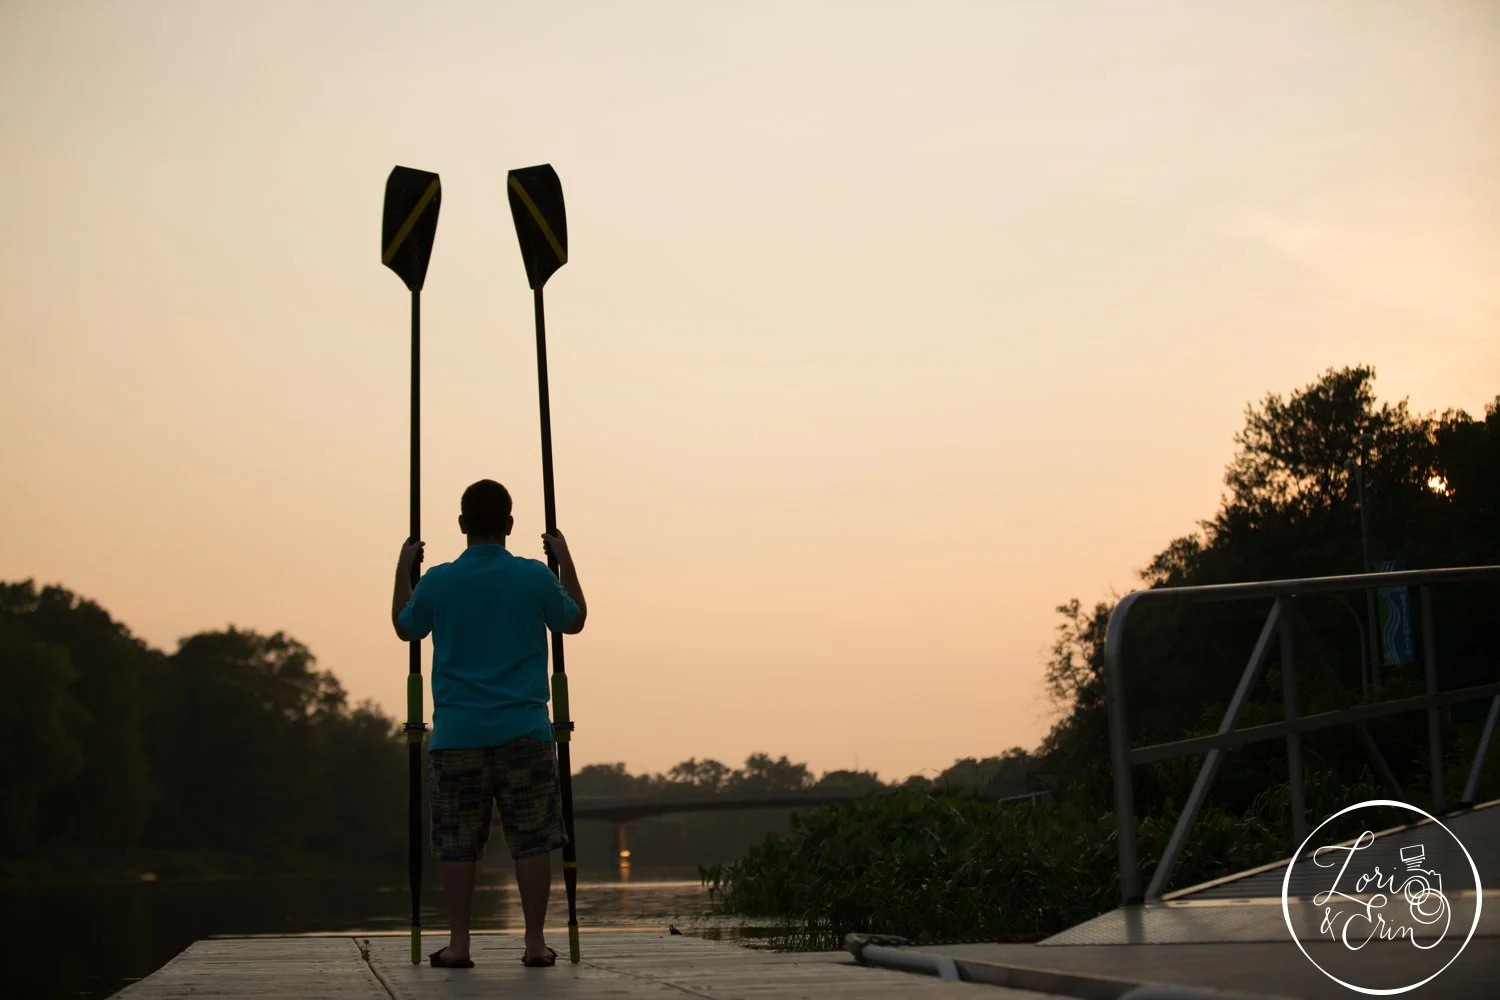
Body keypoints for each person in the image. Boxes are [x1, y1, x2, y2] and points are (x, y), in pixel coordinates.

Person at [391, 478, 587, 969]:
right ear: (511, 525)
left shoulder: (437, 580)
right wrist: (564, 563)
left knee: (458, 845)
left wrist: (403, 570)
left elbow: (405, 626)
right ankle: (535, 942)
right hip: (525, 730)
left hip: (457, 734)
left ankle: (459, 944)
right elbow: (574, 619)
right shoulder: (533, 578)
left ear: (461, 525)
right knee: (533, 838)